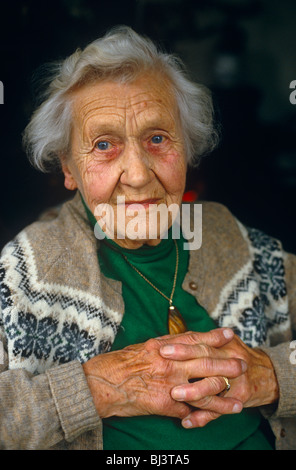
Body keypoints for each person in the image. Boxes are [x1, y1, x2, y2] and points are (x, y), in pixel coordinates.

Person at [0, 26, 295, 451]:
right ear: (68, 168)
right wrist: (100, 387)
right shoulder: (25, 270)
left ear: (187, 148)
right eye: (104, 145)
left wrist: (273, 374)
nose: (138, 175)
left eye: (157, 139)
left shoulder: (226, 236)